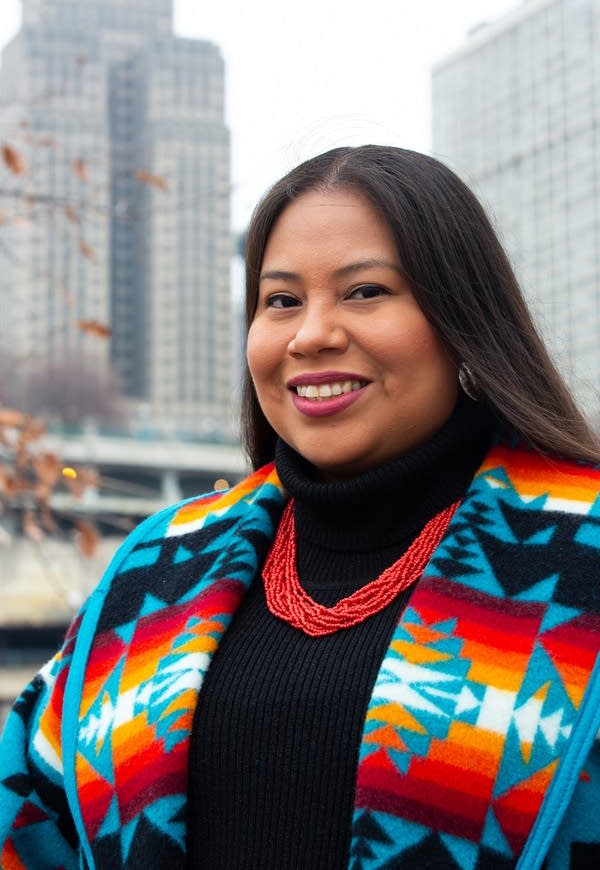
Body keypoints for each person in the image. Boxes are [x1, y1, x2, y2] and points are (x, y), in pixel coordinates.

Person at [1, 145, 599, 870]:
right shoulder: (156, 570)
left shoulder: (582, 554)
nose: (311, 333)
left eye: (364, 292)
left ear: (462, 317)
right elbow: (27, 814)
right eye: (280, 300)